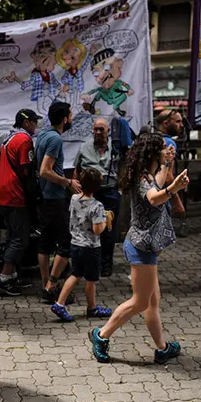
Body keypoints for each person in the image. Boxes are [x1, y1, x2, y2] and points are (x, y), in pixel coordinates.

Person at [89, 133, 190, 365]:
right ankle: (101, 335)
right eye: (164, 148)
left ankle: (162, 348)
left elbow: (161, 178)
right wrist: (174, 188)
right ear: (153, 152)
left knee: (153, 301)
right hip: (141, 247)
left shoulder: (150, 173)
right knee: (141, 302)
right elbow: (154, 198)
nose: (168, 150)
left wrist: (168, 164)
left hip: (146, 247)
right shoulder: (142, 179)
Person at [50, 168, 113, 322]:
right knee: (91, 279)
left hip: (76, 244)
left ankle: (60, 302)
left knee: (75, 274)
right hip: (91, 247)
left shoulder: (74, 199)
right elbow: (97, 229)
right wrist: (106, 220)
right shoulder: (97, 206)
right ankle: (92, 307)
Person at [73, 117, 132, 277]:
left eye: (101, 130)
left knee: (108, 230)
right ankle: (91, 262)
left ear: (108, 131)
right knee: (89, 229)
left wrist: (121, 186)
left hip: (109, 192)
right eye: (96, 129)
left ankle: (106, 263)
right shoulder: (84, 147)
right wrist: (77, 190)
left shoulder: (116, 147)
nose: (98, 132)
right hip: (90, 193)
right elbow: (77, 170)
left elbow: (126, 165)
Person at [0, 109, 41, 296]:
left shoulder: (8, 139)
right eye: (34, 121)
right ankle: (3, 278)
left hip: (4, 193)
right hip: (15, 195)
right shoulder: (23, 140)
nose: (36, 125)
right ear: (27, 123)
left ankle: (11, 275)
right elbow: (25, 170)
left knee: (13, 237)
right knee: (20, 239)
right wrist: (33, 193)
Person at [36, 102, 82, 303]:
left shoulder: (43, 136)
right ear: (64, 119)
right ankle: (52, 285)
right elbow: (45, 170)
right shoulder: (54, 138)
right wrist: (68, 182)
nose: (71, 119)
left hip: (45, 197)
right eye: (70, 115)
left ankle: (46, 285)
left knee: (45, 243)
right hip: (54, 197)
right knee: (66, 243)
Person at [153, 109, 186, 218]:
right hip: (162, 196)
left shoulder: (151, 140)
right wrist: (177, 201)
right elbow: (168, 176)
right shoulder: (168, 143)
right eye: (177, 122)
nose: (181, 125)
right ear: (166, 123)